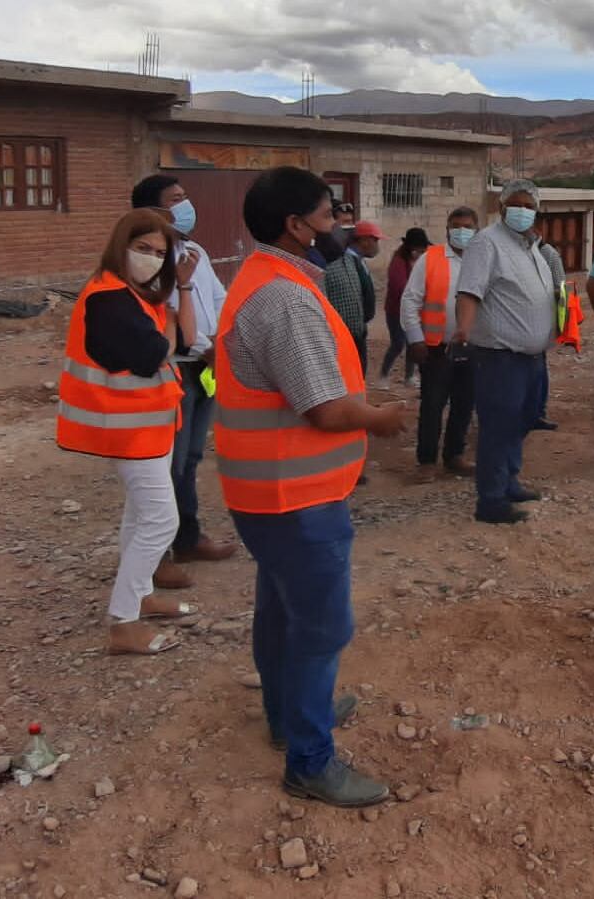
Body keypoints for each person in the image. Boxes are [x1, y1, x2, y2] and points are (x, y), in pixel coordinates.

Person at [213, 166, 407, 807]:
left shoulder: (264, 277)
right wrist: (381, 418)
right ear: (295, 226)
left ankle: (290, 714)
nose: (339, 227)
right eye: (329, 216)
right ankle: (310, 760)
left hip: (267, 492)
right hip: (294, 497)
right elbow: (323, 409)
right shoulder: (287, 298)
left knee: (281, 612)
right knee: (320, 628)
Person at [56, 208, 197, 656]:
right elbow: (155, 351)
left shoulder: (124, 295)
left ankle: (138, 596)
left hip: (144, 428)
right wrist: (170, 327)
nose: (152, 259)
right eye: (143, 249)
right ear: (122, 246)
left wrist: (170, 330)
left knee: (140, 517)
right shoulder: (109, 299)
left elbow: (170, 348)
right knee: (161, 520)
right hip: (127, 430)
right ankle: (123, 621)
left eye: (159, 253)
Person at [129, 175, 236, 588]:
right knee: (166, 466)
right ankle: (155, 556)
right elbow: (168, 313)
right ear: (153, 211)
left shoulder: (194, 250)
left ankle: (187, 538)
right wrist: (205, 345)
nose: (187, 205)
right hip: (173, 367)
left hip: (202, 367)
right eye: (176, 200)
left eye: (186, 197)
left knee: (190, 459)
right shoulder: (146, 257)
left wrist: (222, 341)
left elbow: (218, 299)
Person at [454, 178, 558, 525]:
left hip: (532, 358)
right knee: (498, 426)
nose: (523, 211)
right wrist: (463, 329)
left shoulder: (534, 249)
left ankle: (509, 479)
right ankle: (491, 499)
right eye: (517, 204)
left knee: (524, 420)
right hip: (499, 357)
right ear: (501, 207)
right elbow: (470, 291)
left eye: (530, 206)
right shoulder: (487, 244)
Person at [401, 207, 478, 474]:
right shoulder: (430, 258)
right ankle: (426, 462)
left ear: (476, 230)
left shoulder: (482, 260)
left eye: (467, 226)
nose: (461, 231)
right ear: (447, 230)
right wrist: (415, 338)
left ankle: (454, 455)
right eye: (455, 226)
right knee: (432, 405)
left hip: (473, 348)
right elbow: (410, 299)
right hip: (436, 349)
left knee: (464, 404)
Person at [323, 220, 383, 373]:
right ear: (363, 241)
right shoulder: (344, 265)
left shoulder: (356, 263)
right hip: (348, 334)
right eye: (374, 240)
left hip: (356, 331)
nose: (377, 245)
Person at [381, 228, 429, 387]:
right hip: (396, 311)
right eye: (418, 249)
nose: (420, 252)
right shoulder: (398, 261)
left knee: (412, 344)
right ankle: (383, 375)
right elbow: (399, 287)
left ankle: (409, 377)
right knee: (397, 344)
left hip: (415, 310)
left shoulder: (421, 261)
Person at [530, 240, 565, 432]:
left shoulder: (548, 254)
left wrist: (562, 322)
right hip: (521, 322)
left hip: (542, 320)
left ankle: (538, 413)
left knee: (538, 368)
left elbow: (561, 288)